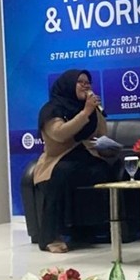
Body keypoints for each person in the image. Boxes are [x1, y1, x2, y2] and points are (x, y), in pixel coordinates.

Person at [33, 69, 110, 253]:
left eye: (88, 82)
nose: (86, 86)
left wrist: (97, 113)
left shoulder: (89, 108)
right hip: (57, 160)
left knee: (103, 171)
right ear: (68, 85)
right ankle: (51, 237)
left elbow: (101, 134)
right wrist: (85, 112)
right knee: (63, 174)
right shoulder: (52, 109)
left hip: (85, 156)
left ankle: (90, 230)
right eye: (80, 82)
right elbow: (60, 134)